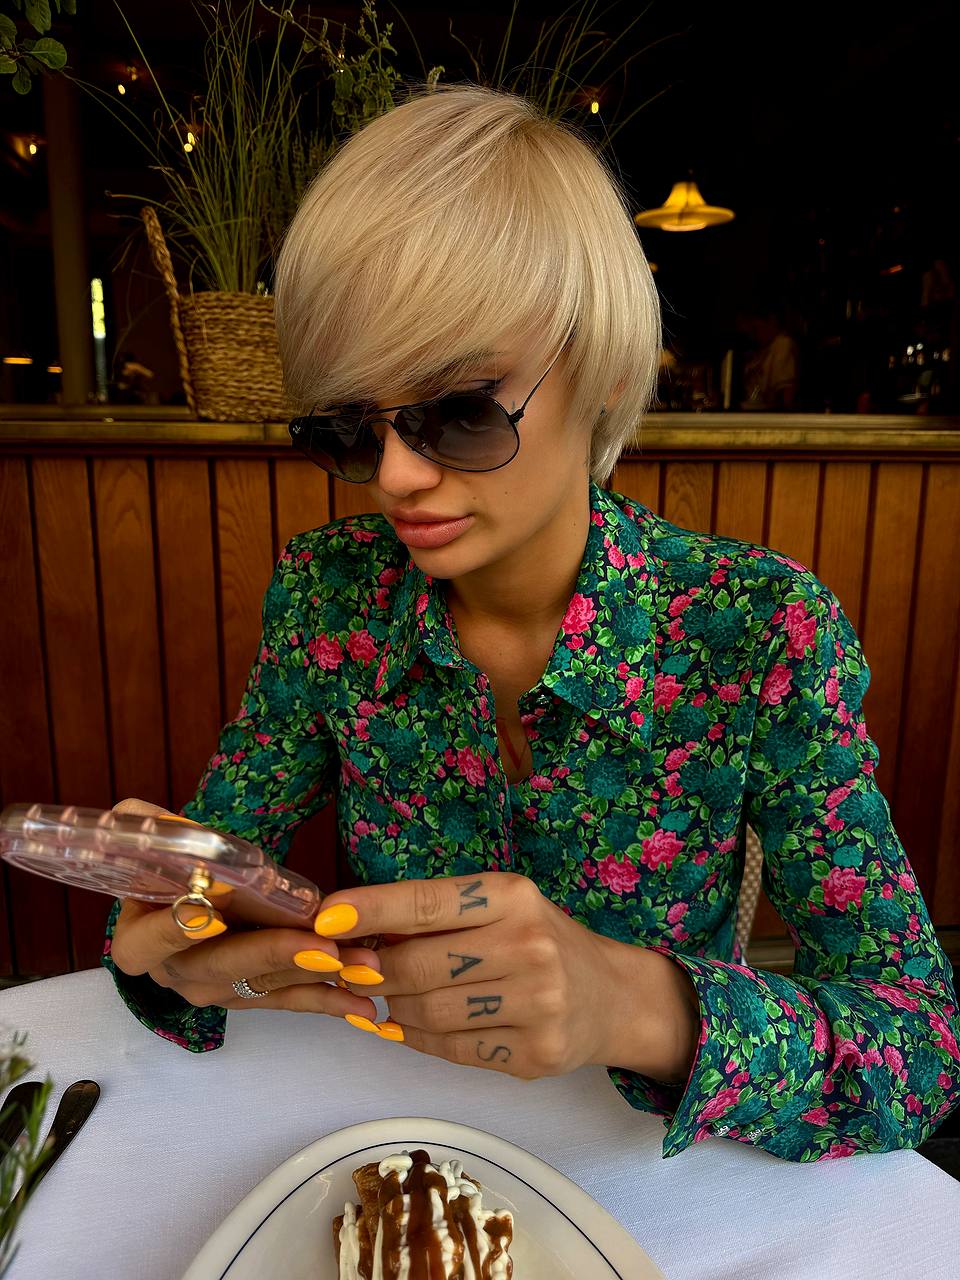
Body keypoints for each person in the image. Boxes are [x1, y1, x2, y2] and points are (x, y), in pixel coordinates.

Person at [103, 83, 959, 1162]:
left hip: (644, 1167)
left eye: (458, 410)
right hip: (390, 1137)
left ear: (598, 370)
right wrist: (175, 936)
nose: (396, 476)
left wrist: (635, 1005)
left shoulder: (757, 630)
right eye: (352, 427)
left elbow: (918, 1050)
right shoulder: (330, 596)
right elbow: (207, 881)